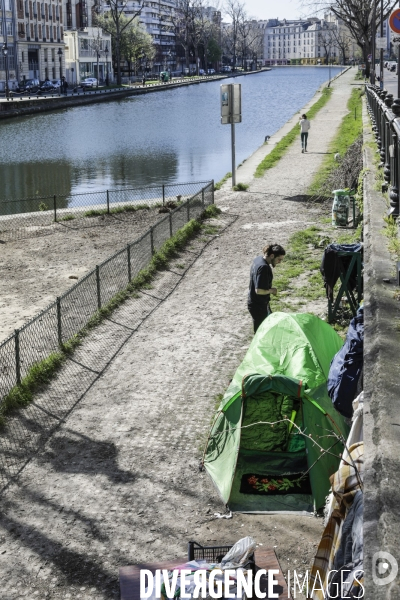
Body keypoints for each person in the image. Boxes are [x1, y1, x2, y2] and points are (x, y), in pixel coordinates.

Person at [247, 244, 286, 333]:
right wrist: (272, 290)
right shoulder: (264, 268)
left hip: (255, 302)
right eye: (279, 259)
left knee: (267, 327)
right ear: (272, 255)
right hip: (258, 306)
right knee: (261, 332)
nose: (279, 262)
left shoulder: (258, 260)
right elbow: (259, 290)